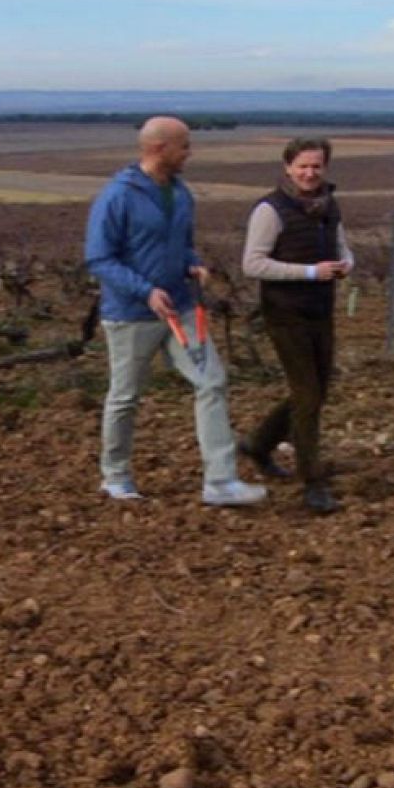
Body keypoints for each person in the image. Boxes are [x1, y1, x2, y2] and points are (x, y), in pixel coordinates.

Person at [85, 115, 267, 507]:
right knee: (125, 395)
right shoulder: (118, 195)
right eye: (183, 145)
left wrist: (192, 262)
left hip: (181, 310)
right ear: (158, 148)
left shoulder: (181, 193)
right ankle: (115, 475)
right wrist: (145, 290)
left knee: (211, 382)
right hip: (131, 315)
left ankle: (220, 480)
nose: (190, 152)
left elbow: (181, 243)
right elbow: (99, 257)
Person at [239, 137, 355, 515]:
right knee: (307, 397)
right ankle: (313, 482)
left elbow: (341, 246)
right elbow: (252, 264)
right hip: (284, 312)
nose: (309, 173)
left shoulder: (329, 205)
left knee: (317, 391)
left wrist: (345, 263)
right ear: (288, 167)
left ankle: (259, 444)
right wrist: (309, 272)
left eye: (316, 166)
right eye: (302, 166)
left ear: (326, 168)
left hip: (320, 310)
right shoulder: (270, 210)